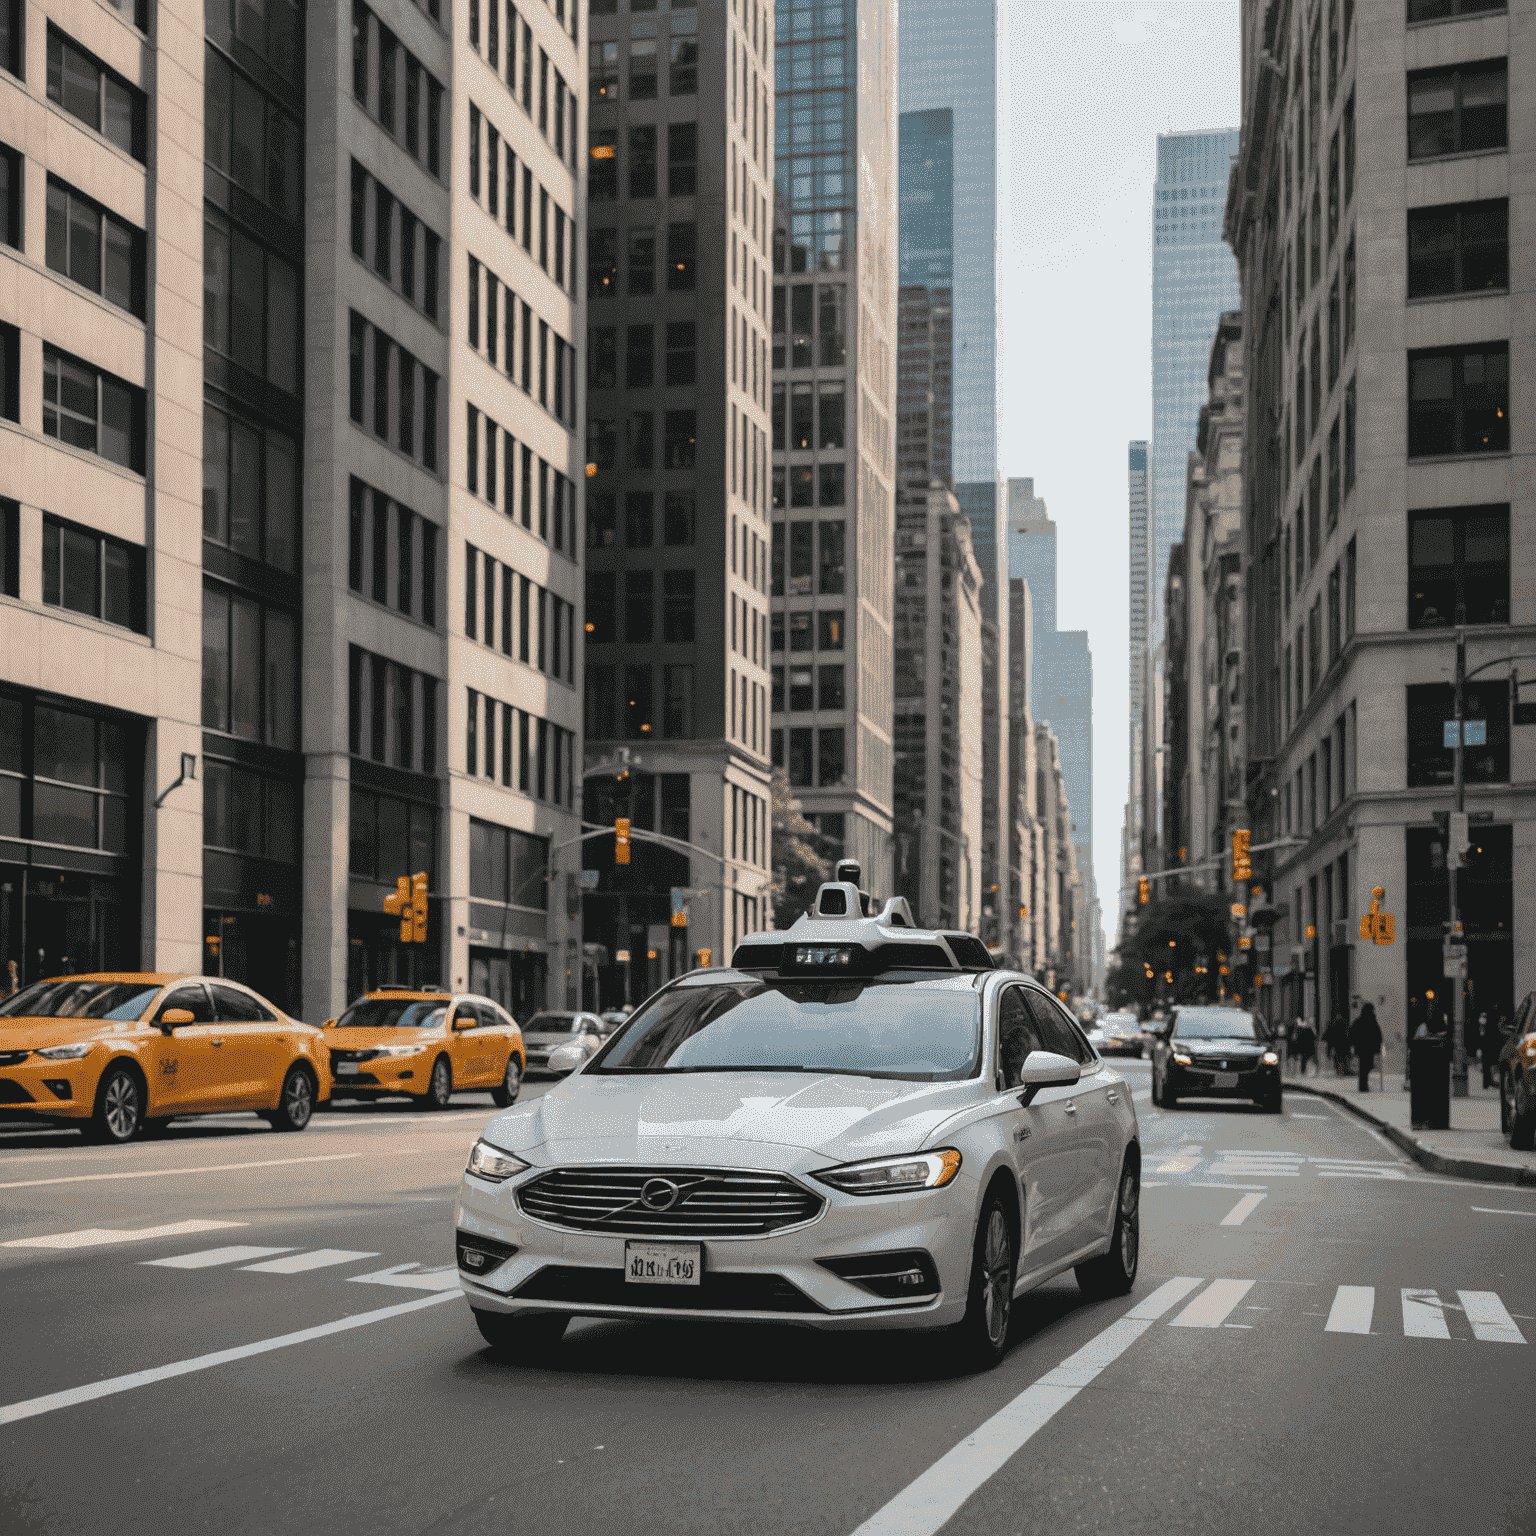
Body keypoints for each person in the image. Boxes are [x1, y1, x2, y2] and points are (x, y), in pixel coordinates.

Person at [1349, 1003, 1383, 1092]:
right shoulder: (1372, 1021)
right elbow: (1378, 1035)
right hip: (1369, 1049)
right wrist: (1377, 1047)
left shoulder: (1358, 1021)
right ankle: (1363, 1086)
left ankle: (1362, 1086)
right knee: (1367, 1066)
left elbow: (1352, 1034)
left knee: (1363, 1067)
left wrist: (1354, 1045)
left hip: (1361, 1049)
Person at [1480, 1011, 1503, 1091]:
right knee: (1487, 1064)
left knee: (1488, 1064)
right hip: (1488, 1046)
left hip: (1487, 1045)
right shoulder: (1486, 1026)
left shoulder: (1485, 1026)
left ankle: (1488, 1083)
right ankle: (1487, 1083)